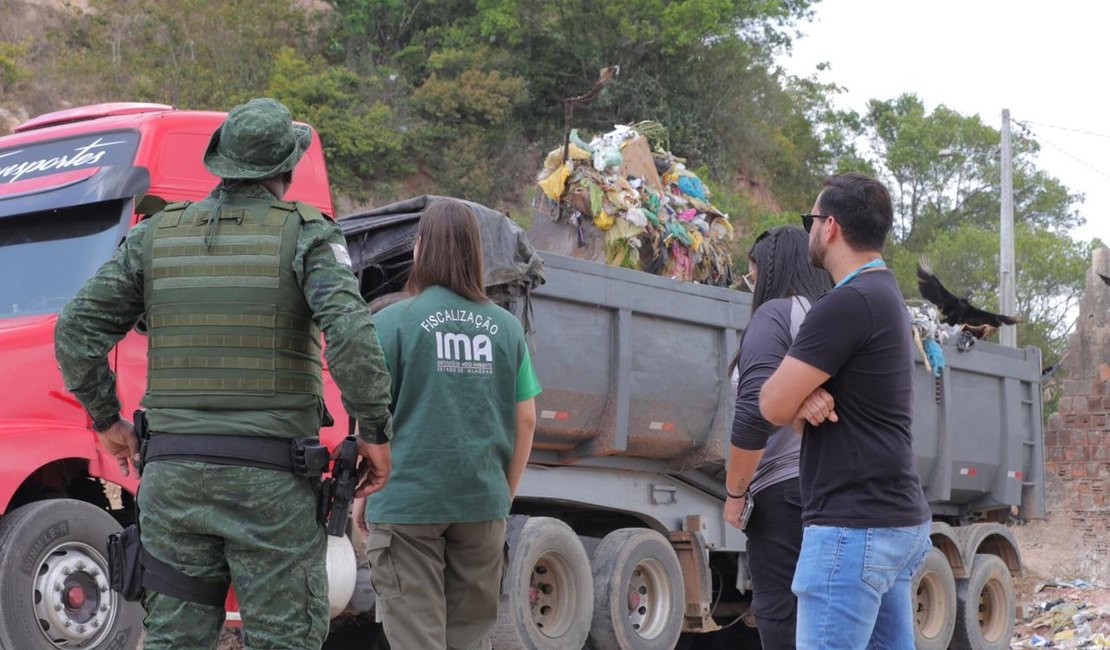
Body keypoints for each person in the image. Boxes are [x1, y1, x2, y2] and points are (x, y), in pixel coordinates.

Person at [54, 97, 394, 649]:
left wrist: (107, 421)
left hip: (172, 480)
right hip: (272, 485)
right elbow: (353, 338)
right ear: (287, 168)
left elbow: (75, 332)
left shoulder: (154, 236)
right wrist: (374, 432)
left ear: (224, 163)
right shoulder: (308, 234)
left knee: (173, 641)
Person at [759, 172, 932, 649]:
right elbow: (804, 409)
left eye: (810, 219)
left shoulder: (844, 304)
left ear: (829, 226)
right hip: (896, 522)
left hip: (851, 531)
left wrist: (795, 398)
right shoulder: (886, 295)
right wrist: (805, 400)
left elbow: (771, 404)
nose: (809, 229)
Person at [361, 198, 541, 650]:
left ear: (420, 249)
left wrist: (363, 492)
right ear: (475, 253)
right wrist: (504, 492)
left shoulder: (389, 323)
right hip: (481, 501)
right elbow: (526, 418)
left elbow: (368, 414)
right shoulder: (506, 328)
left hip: (406, 500)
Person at [724, 226, 831, 650]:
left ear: (768, 270)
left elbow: (753, 413)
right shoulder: (827, 315)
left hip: (782, 493)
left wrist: (735, 493)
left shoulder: (775, 315)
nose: (751, 284)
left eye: (752, 274)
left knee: (781, 616)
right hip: (828, 485)